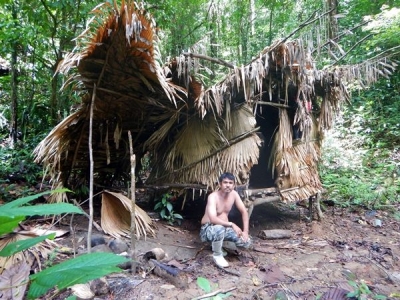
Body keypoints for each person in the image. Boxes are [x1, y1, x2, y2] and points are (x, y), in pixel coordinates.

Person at [200, 172, 252, 268]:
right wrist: (231, 224)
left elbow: (244, 212)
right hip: (208, 229)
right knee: (219, 228)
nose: (228, 185)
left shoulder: (234, 195)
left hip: (224, 228)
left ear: (234, 185)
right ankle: (217, 255)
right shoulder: (213, 197)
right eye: (225, 182)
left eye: (230, 183)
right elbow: (213, 219)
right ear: (220, 184)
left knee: (246, 242)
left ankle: (219, 244)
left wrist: (245, 231)